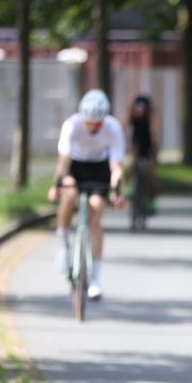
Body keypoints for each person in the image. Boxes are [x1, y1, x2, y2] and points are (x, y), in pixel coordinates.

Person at [48, 89, 125, 300]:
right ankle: (63, 244)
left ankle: (96, 279)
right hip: (76, 166)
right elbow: (64, 161)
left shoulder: (113, 128)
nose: (92, 127)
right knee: (69, 195)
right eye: (89, 122)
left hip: (99, 168)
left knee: (96, 211)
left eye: (97, 124)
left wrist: (117, 191)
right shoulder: (71, 125)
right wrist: (56, 186)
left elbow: (116, 166)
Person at [128, 95, 159, 214]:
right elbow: (124, 127)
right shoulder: (132, 117)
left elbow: (154, 135)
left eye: (142, 109)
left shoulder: (150, 119)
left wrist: (154, 153)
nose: (140, 111)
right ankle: (132, 189)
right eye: (137, 108)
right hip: (136, 148)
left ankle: (151, 200)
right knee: (131, 167)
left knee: (150, 173)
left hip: (148, 149)